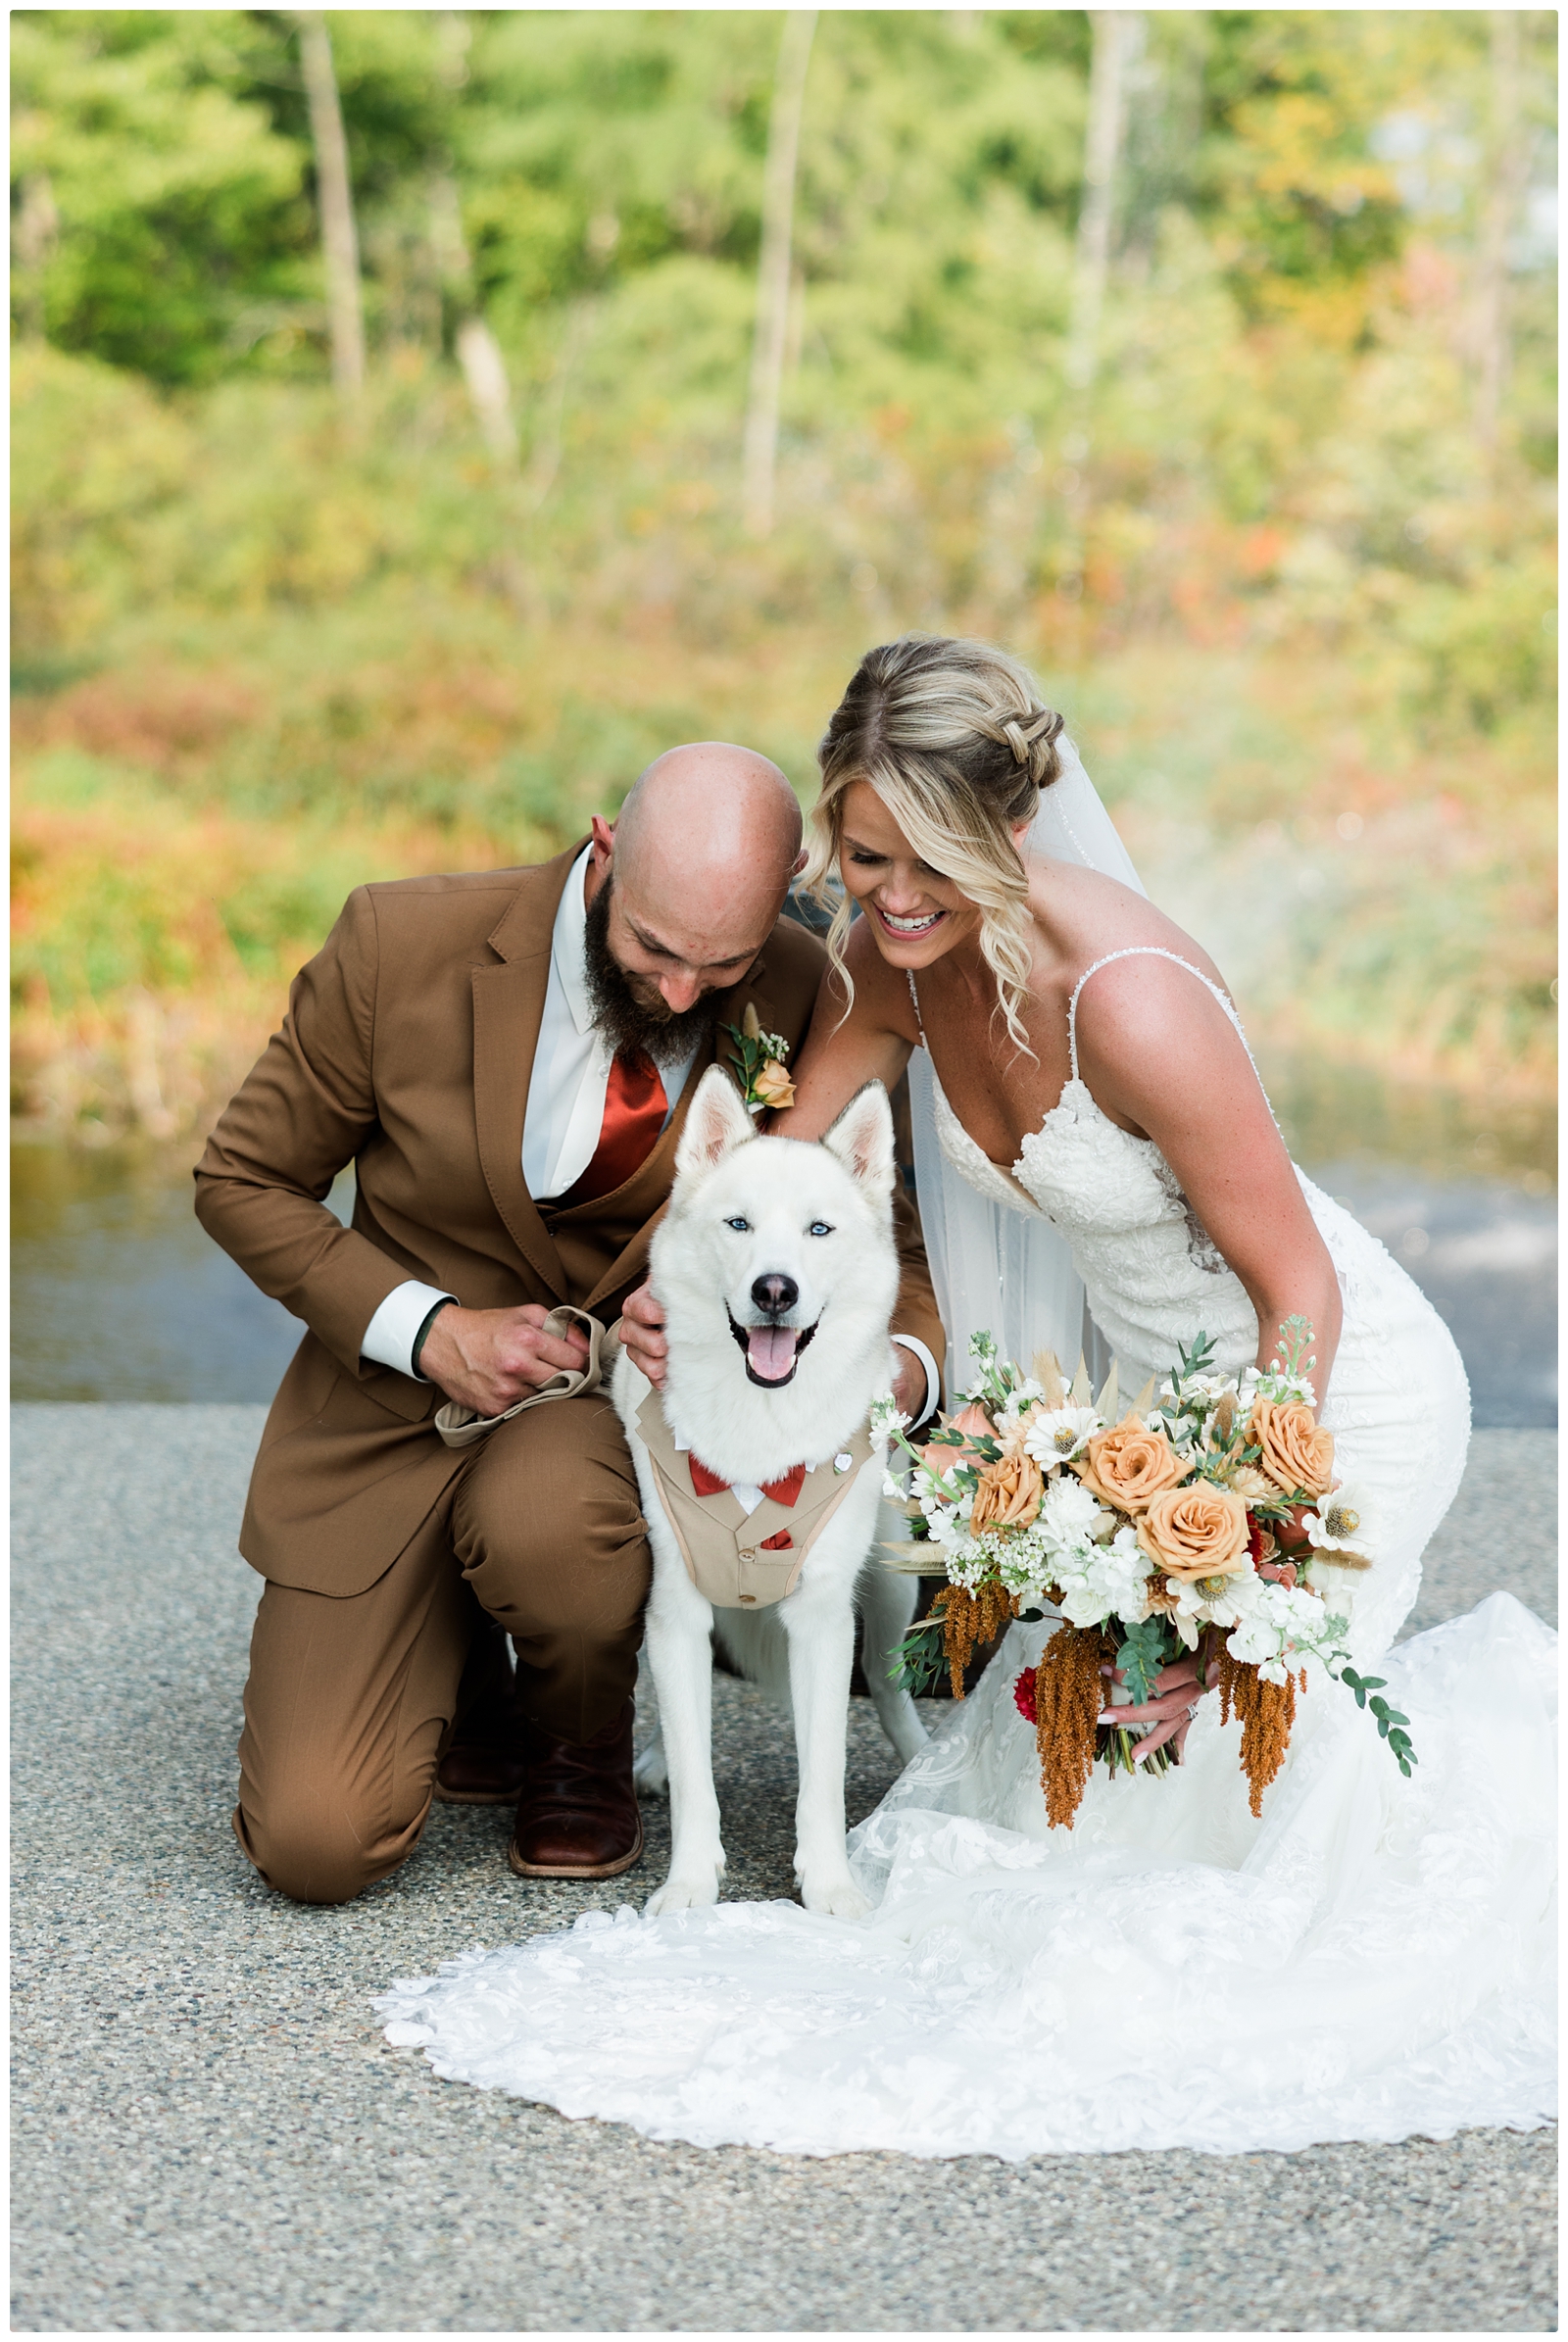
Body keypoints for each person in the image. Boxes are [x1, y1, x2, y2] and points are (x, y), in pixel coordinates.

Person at [377, 639, 1555, 2161]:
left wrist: (1222, 1575)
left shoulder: (1129, 1003)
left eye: (931, 861)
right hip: (1152, 1410)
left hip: (1318, 1405)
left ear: (1012, 824)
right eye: (863, 860)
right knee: (1017, 1833)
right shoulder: (891, 961)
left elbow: (1298, 1297)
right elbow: (778, 1172)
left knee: (1224, 1847)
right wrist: (685, 1289)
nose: (891, 899)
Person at [195, 742, 944, 1906]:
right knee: (315, 1842)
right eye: (654, 947)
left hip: (597, 1421)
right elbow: (240, 1177)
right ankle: (464, 1673)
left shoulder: (811, 985)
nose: (685, 992)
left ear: (790, 885)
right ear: (604, 847)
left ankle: (576, 1734)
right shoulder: (399, 945)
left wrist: (895, 1370)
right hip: (386, 1412)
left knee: (558, 1524)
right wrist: (430, 1327)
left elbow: (887, 1236)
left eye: (724, 960)